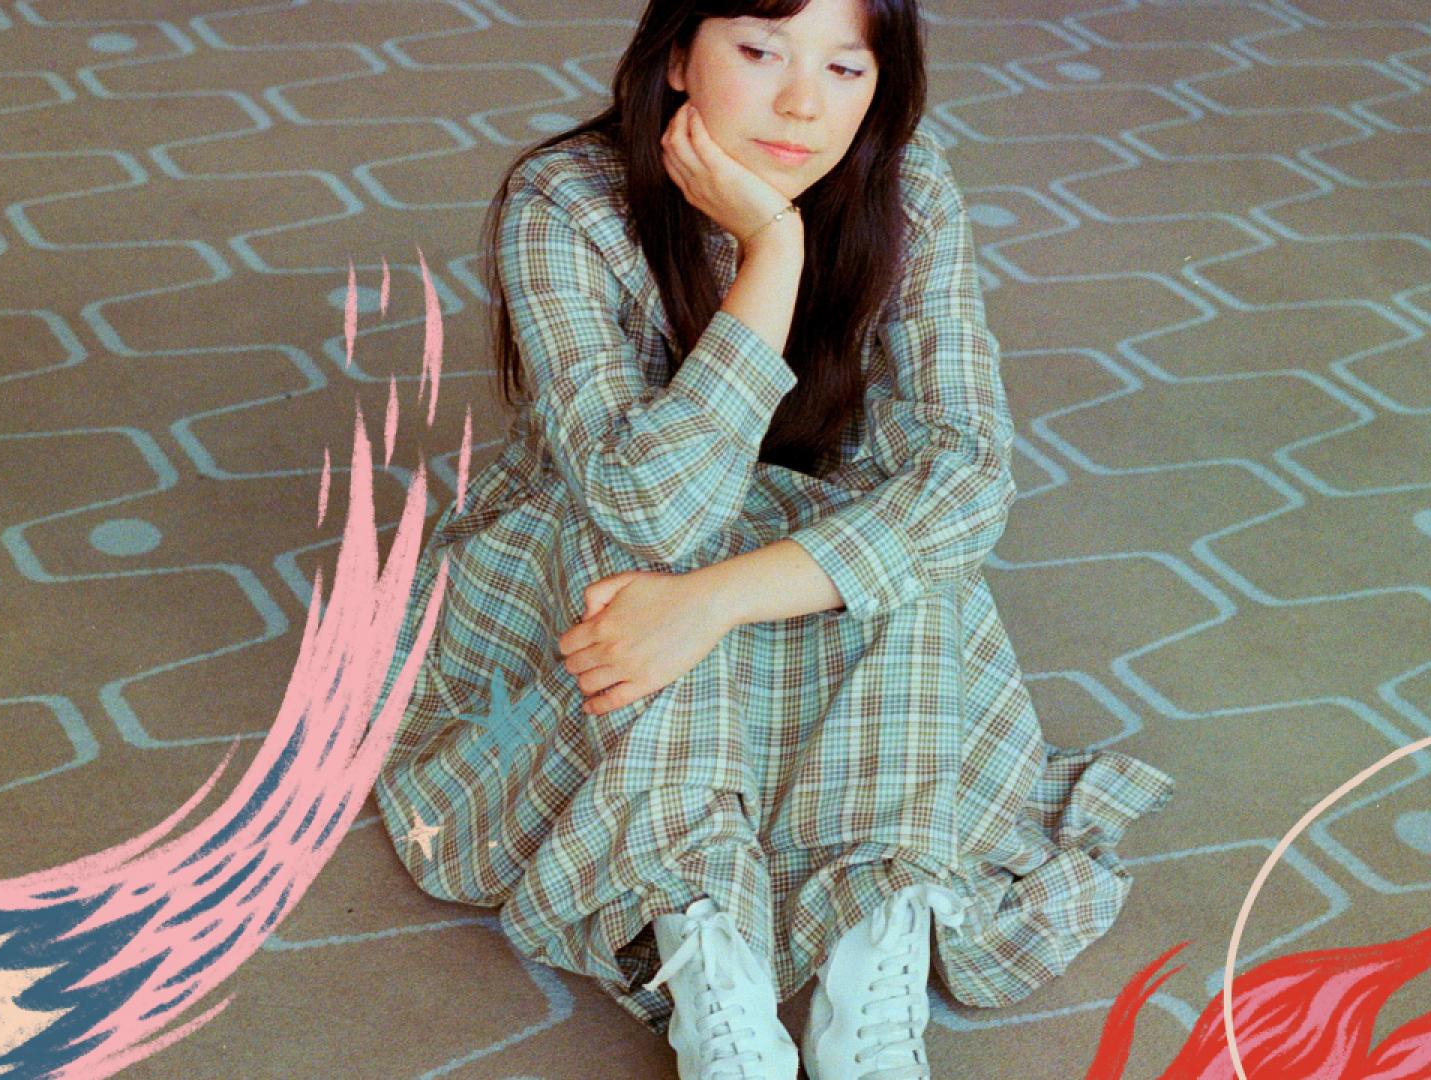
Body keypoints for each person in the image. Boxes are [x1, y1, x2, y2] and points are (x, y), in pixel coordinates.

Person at [373, 0, 1173, 1076]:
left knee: (915, 561)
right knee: (644, 568)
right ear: (676, 57)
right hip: (587, 544)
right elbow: (650, 505)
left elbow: (971, 475)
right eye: (759, 52)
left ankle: (872, 945)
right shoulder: (565, 198)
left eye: (847, 69)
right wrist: (772, 249)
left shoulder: (907, 186)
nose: (803, 103)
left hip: (783, 545)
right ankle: (708, 952)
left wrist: (718, 601)